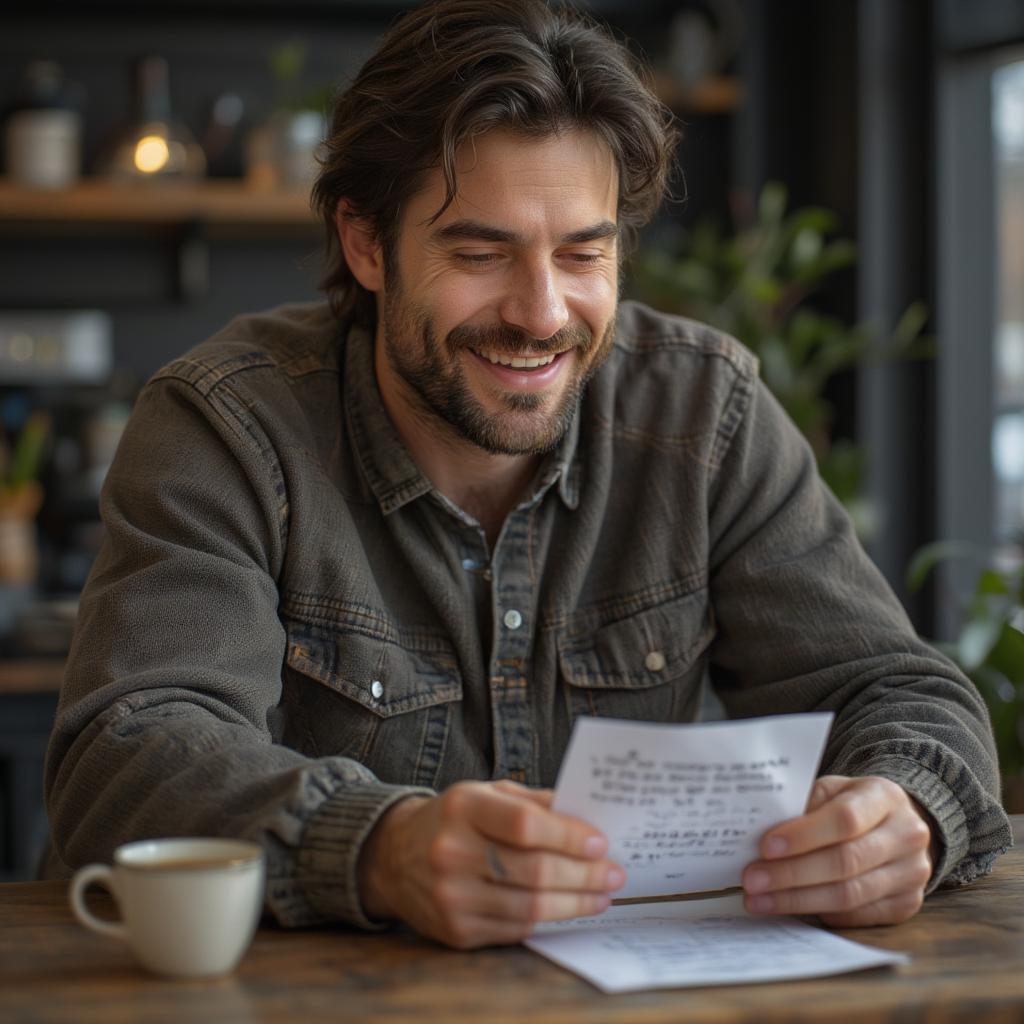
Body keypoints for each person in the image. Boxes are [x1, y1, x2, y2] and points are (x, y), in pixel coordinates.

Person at [45, 0, 1010, 950]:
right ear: (367, 243)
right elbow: (127, 757)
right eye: (480, 252)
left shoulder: (702, 413)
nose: (543, 314)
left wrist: (903, 811)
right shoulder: (226, 425)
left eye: (584, 253)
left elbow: (899, 691)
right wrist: (378, 847)